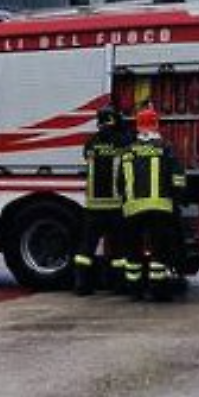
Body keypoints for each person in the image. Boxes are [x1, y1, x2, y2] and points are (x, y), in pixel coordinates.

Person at [119, 106, 188, 301]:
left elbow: (119, 182)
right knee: (159, 252)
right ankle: (158, 291)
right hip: (160, 210)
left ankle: (134, 291)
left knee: (133, 254)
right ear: (156, 125)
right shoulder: (165, 149)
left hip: (132, 210)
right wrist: (178, 199)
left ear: (138, 127)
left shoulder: (127, 152)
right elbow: (178, 179)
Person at [74, 104, 132, 295]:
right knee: (118, 250)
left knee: (86, 249)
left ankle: (82, 285)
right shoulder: (122, 141)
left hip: (93, 207)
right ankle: (119, 285)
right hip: (115, 207)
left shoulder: (90, 143)